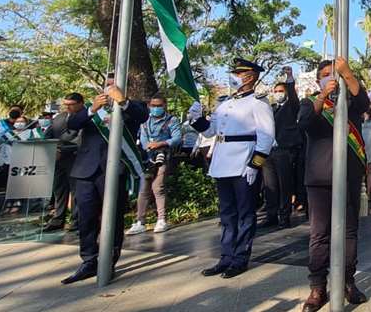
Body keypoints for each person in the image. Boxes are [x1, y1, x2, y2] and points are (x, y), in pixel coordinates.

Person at [188, 58, 275, 279]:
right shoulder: (224, 103)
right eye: (235, 73)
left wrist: (255, 164)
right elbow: (210, 132)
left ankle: (240, 259)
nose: (235, 76)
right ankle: (226, 257)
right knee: (227, 214)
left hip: (243, 162)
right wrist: (196, 120)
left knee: (245, 214)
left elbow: (266, 136)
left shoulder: (258, 103)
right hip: (222, 162)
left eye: (239, 73)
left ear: (251, 77)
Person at [297, 58, 370, 311]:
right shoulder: (310, 102)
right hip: (319, 177)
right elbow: (305, 124)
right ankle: (318, 287)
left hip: (348, 176)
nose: (331, 78)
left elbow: (366, 104)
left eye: (334, 74)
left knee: (349, 232)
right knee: (320, 234)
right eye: (325, 74)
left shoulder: (350, 100)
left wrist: (347, 74)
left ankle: (348, 282)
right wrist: (321, 97)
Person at [60, 86, 150, 285]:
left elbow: (142, 117)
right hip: (86, 170)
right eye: (108, 84)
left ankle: (109, 260)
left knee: (113, 218)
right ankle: (88, 261)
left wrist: (123, 101)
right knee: (85, 218)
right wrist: (92, 109)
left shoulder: (133, 105)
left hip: (115, 169)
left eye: (114, 84)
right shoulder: (94, 109)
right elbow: (73, 124)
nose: (110, 88)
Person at [126, 95, 182, 235]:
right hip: (148, 158)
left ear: (165, 105)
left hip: (164, 156)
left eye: (159, 105)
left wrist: (162, 144)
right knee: (144, 188)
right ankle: (140, 221)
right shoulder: (145, 121)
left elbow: (177, 138)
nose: (156, 108)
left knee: (158, 187)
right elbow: (143, 139)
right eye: (153, 105)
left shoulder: (172, 120)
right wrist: (149, 147)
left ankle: (161, 219)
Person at [261, 66, 301, 228]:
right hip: (269, 151)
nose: (277, 93)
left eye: (280, 90)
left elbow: (292, 96)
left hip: (285, 150)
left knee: (285, 186)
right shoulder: (271, 108)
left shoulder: (291, 106)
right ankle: (271, 216)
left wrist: (289, 77)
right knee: (270, 186)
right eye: (275, 90)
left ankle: (284, 217)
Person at [43, 111, 80, 231]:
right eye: (66, 104)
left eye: (71, 104)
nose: (69, 107)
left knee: (75, 192)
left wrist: (62, 150)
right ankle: (58, 219)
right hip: (58, 160)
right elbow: (48, 135)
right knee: (59, 190)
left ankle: (76, 220)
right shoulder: (59, 117)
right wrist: (54, 148)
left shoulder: (84, 116)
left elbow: (81, 140)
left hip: (75, 158)